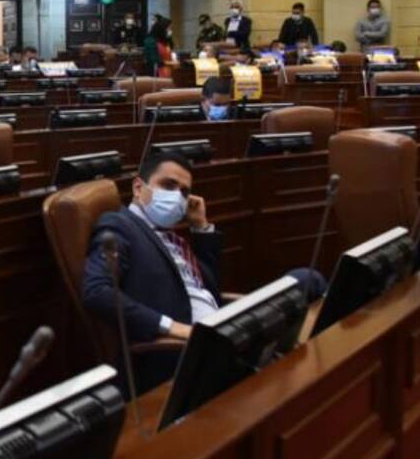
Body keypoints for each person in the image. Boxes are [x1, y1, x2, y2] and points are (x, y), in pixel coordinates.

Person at [80, 151, 326, 392]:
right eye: (168, 185)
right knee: (294, 362)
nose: (177, 197)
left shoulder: (171, 237)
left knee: (308, 279)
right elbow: (97, 291)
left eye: (184, 192)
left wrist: (201, 227)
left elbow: (209, 289)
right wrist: (173, 327)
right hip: (187, 348)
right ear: (137, 187)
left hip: (223, 327)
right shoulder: (120, 225)